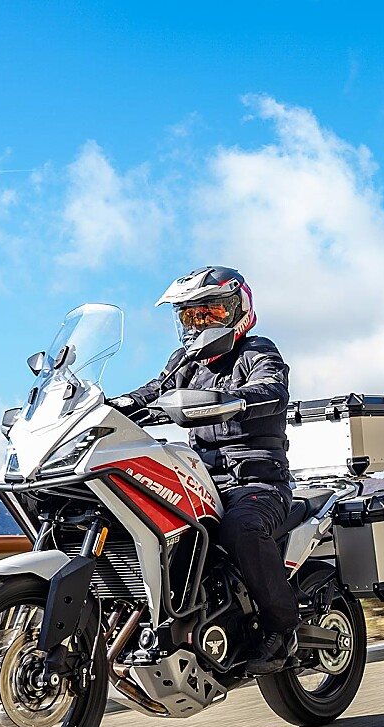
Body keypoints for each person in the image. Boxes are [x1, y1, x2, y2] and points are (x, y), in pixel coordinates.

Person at [109, 266, 300, 674]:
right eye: (191, 315)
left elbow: (272, 388)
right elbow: (154, 390)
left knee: (240, 529)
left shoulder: (257, 351)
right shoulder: (186, 362)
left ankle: (282, 630)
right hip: (202, 480)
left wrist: (236, 400)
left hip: (257, 482)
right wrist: (114, 407)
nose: (200, 323)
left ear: (237, 309)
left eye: (211, 312)